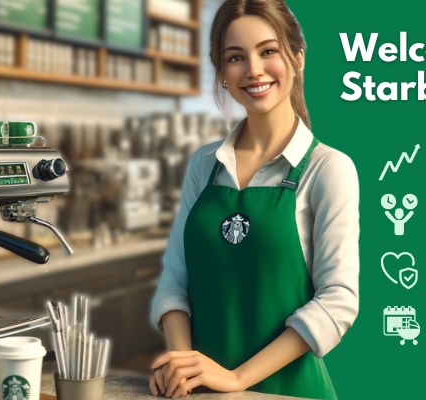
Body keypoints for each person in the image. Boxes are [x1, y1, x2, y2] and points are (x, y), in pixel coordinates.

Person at [148, 1, 360, 399]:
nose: (254, 70)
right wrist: (182, 365)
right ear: (222, 72)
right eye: (235, 57)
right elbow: (175, 282)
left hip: (290, 392)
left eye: (268, 51)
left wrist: (236, 379)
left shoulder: (327, 168)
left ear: (297, 59)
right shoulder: (205, 165)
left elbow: (338, 301)